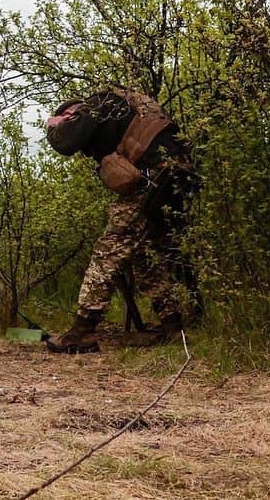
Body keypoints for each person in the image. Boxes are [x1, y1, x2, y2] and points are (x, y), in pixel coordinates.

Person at [44, 86, 198, 353]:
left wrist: (54, 126)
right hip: (177, 178)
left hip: (154, 181)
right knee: (145, 254)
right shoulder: (122, 105)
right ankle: (174, 327)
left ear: (71, 112)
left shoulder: (93, 105)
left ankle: (82, 331)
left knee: (110, 249)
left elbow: (65, 143)